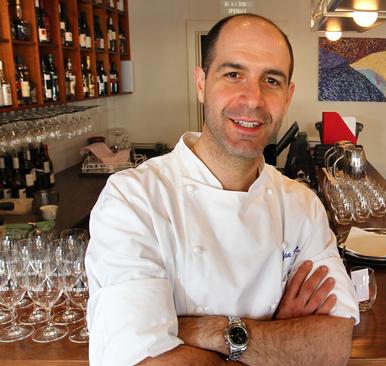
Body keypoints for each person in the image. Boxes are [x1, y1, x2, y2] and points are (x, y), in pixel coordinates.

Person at [85, 14, 359, 365]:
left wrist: (205, 331)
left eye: (271, 80)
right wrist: (277, 337)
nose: (253, 99)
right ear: (201, 83)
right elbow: (141, 361)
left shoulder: (302, 206)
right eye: (233, 74)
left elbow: (332, 345)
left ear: (287, 96)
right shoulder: (133, 200)